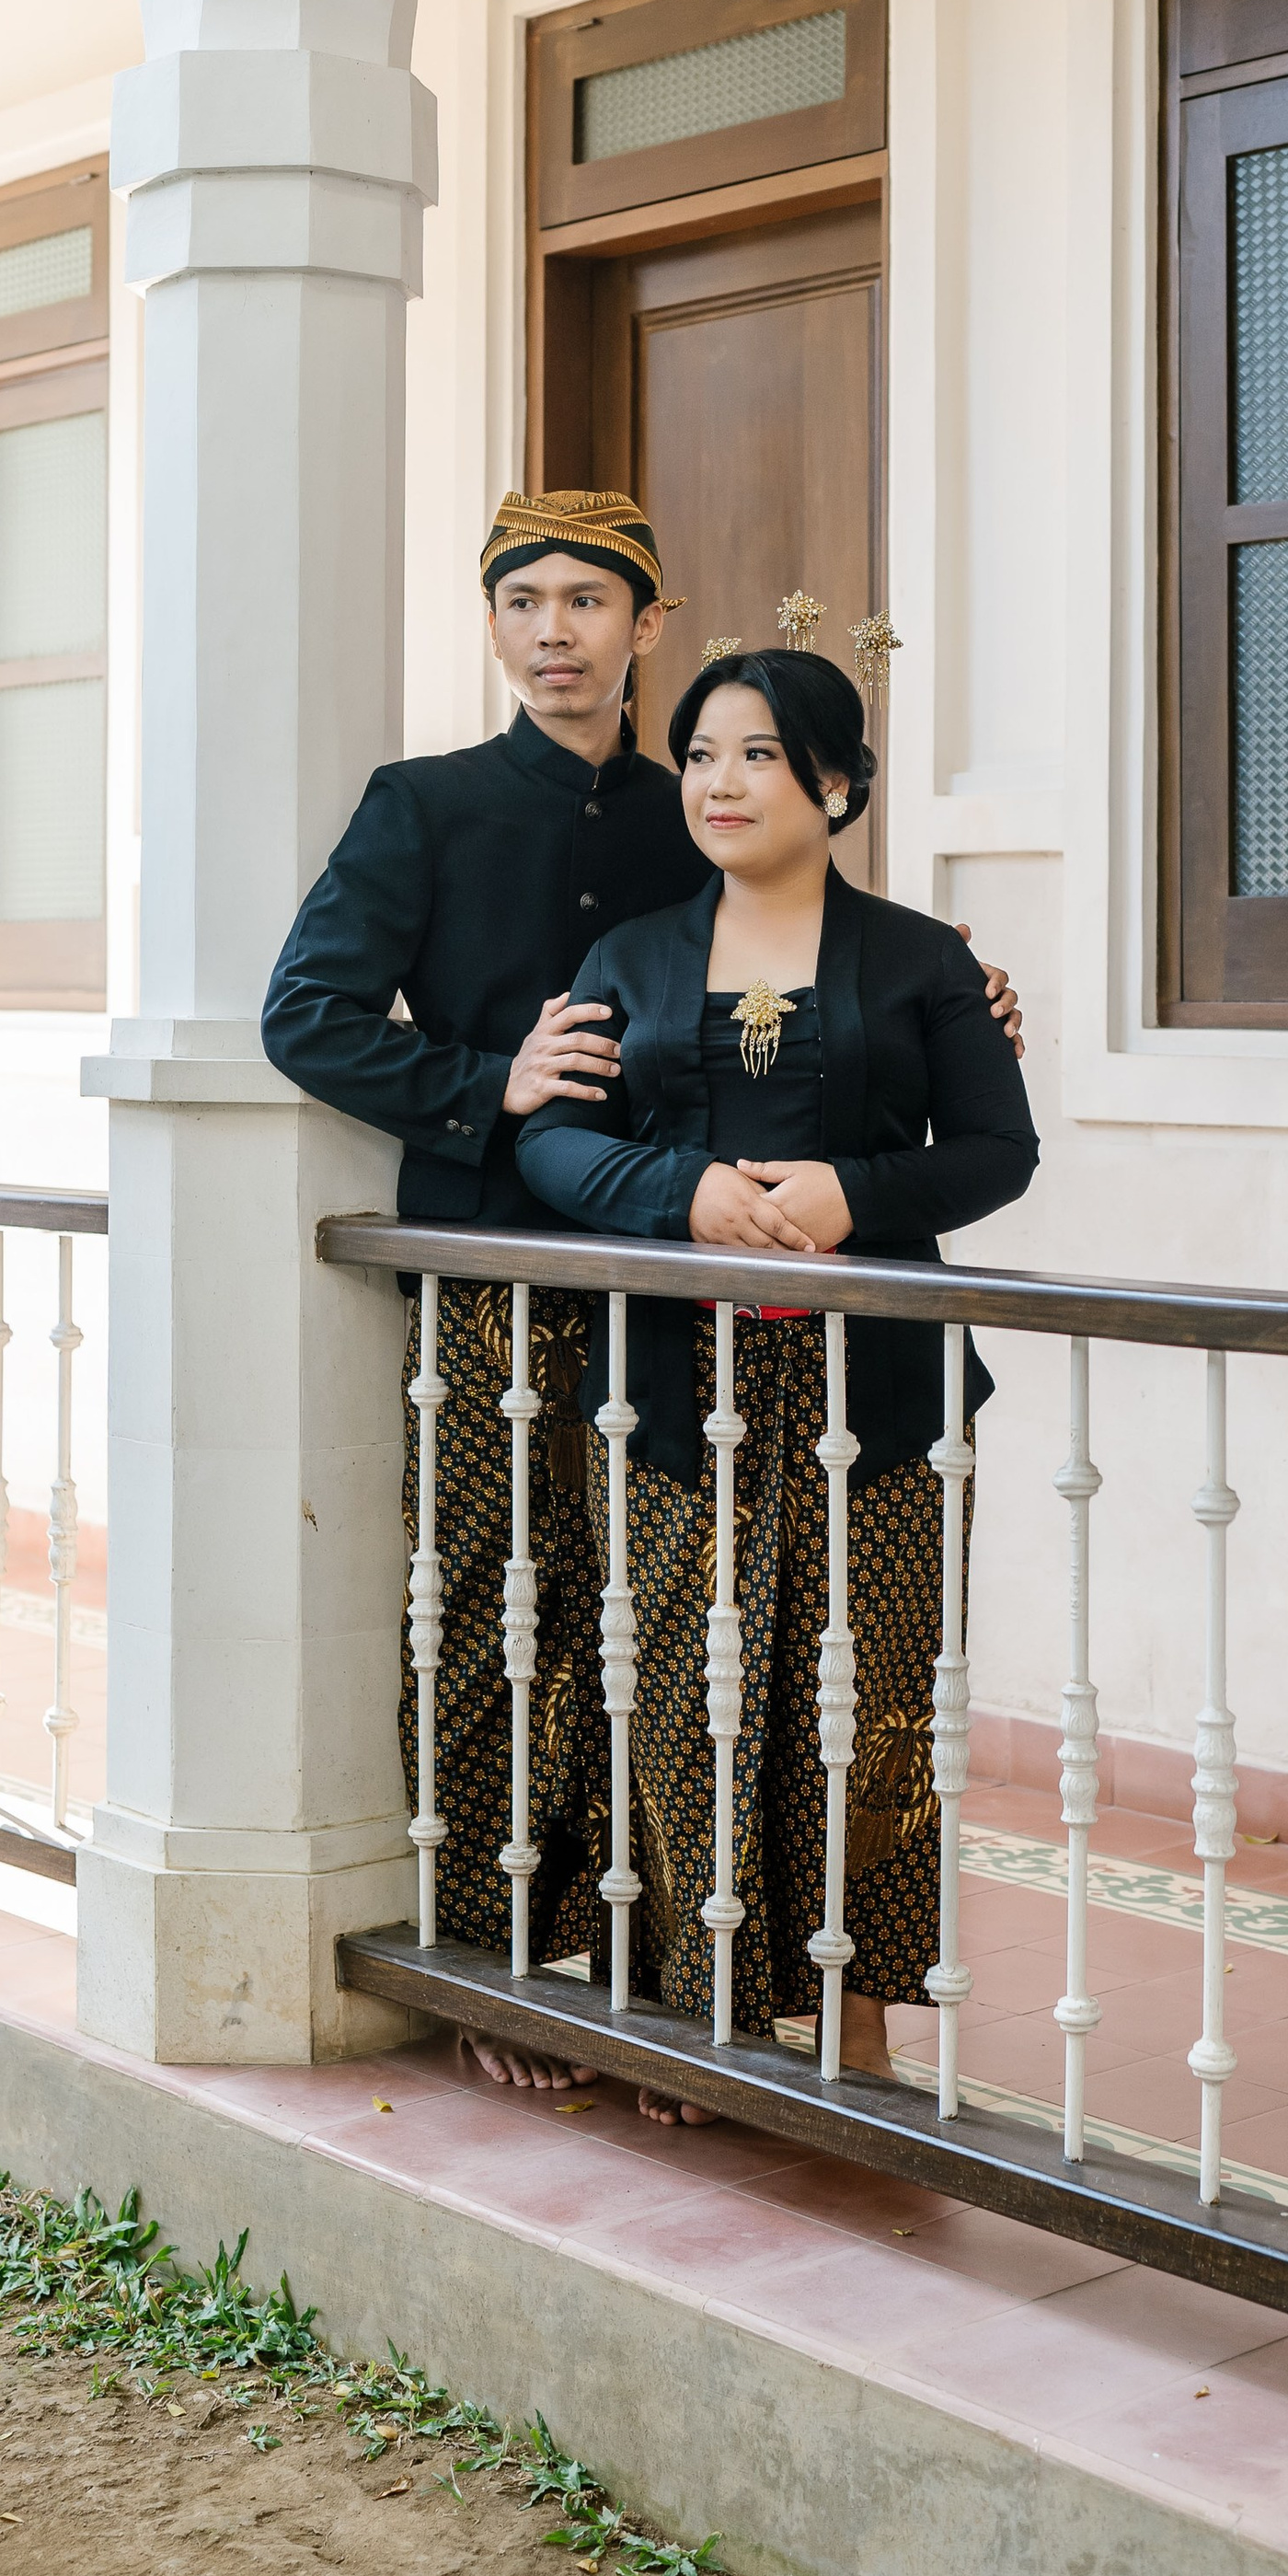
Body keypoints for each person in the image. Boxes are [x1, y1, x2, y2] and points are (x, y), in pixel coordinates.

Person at [259, 491, 1022, 2090]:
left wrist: (915, 1004)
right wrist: (493, 1082)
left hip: (702, 1310)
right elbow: (309, 1017)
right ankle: (495, 1965)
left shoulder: (698, 807)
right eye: (522, 601)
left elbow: (874, 1051)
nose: (554, 631)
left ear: (645, 624)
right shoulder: (432, 804)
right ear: (490, 625)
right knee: (500, 1624)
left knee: (691, 1651)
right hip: (507, 1280)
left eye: (587, 602)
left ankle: (669, 1975)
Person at [516, 646, 1039, 2120]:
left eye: (754, 754)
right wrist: (674, 1195)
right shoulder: (628, 959)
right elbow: (554, 1143)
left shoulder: (925, 959)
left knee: (865, 1706)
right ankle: (707, 2012)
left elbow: (997, 1152)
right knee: (688, 1694)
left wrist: (850, 1194)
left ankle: (857, 2021)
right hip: (675, 1394)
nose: (718, 783)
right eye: (697, 755)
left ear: (837, 783)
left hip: (882, 1396)